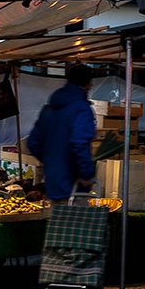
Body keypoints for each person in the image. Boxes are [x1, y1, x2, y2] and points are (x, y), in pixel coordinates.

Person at [27, 63, 97, 202]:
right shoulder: (82, 109)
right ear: (87, 84)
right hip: (74, 186)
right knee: (75, 223)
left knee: (58, 222)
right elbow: (79, 142)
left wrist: (52, 162)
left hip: (53, 183)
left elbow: (33, 142)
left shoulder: (49, 108)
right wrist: (86, 174)